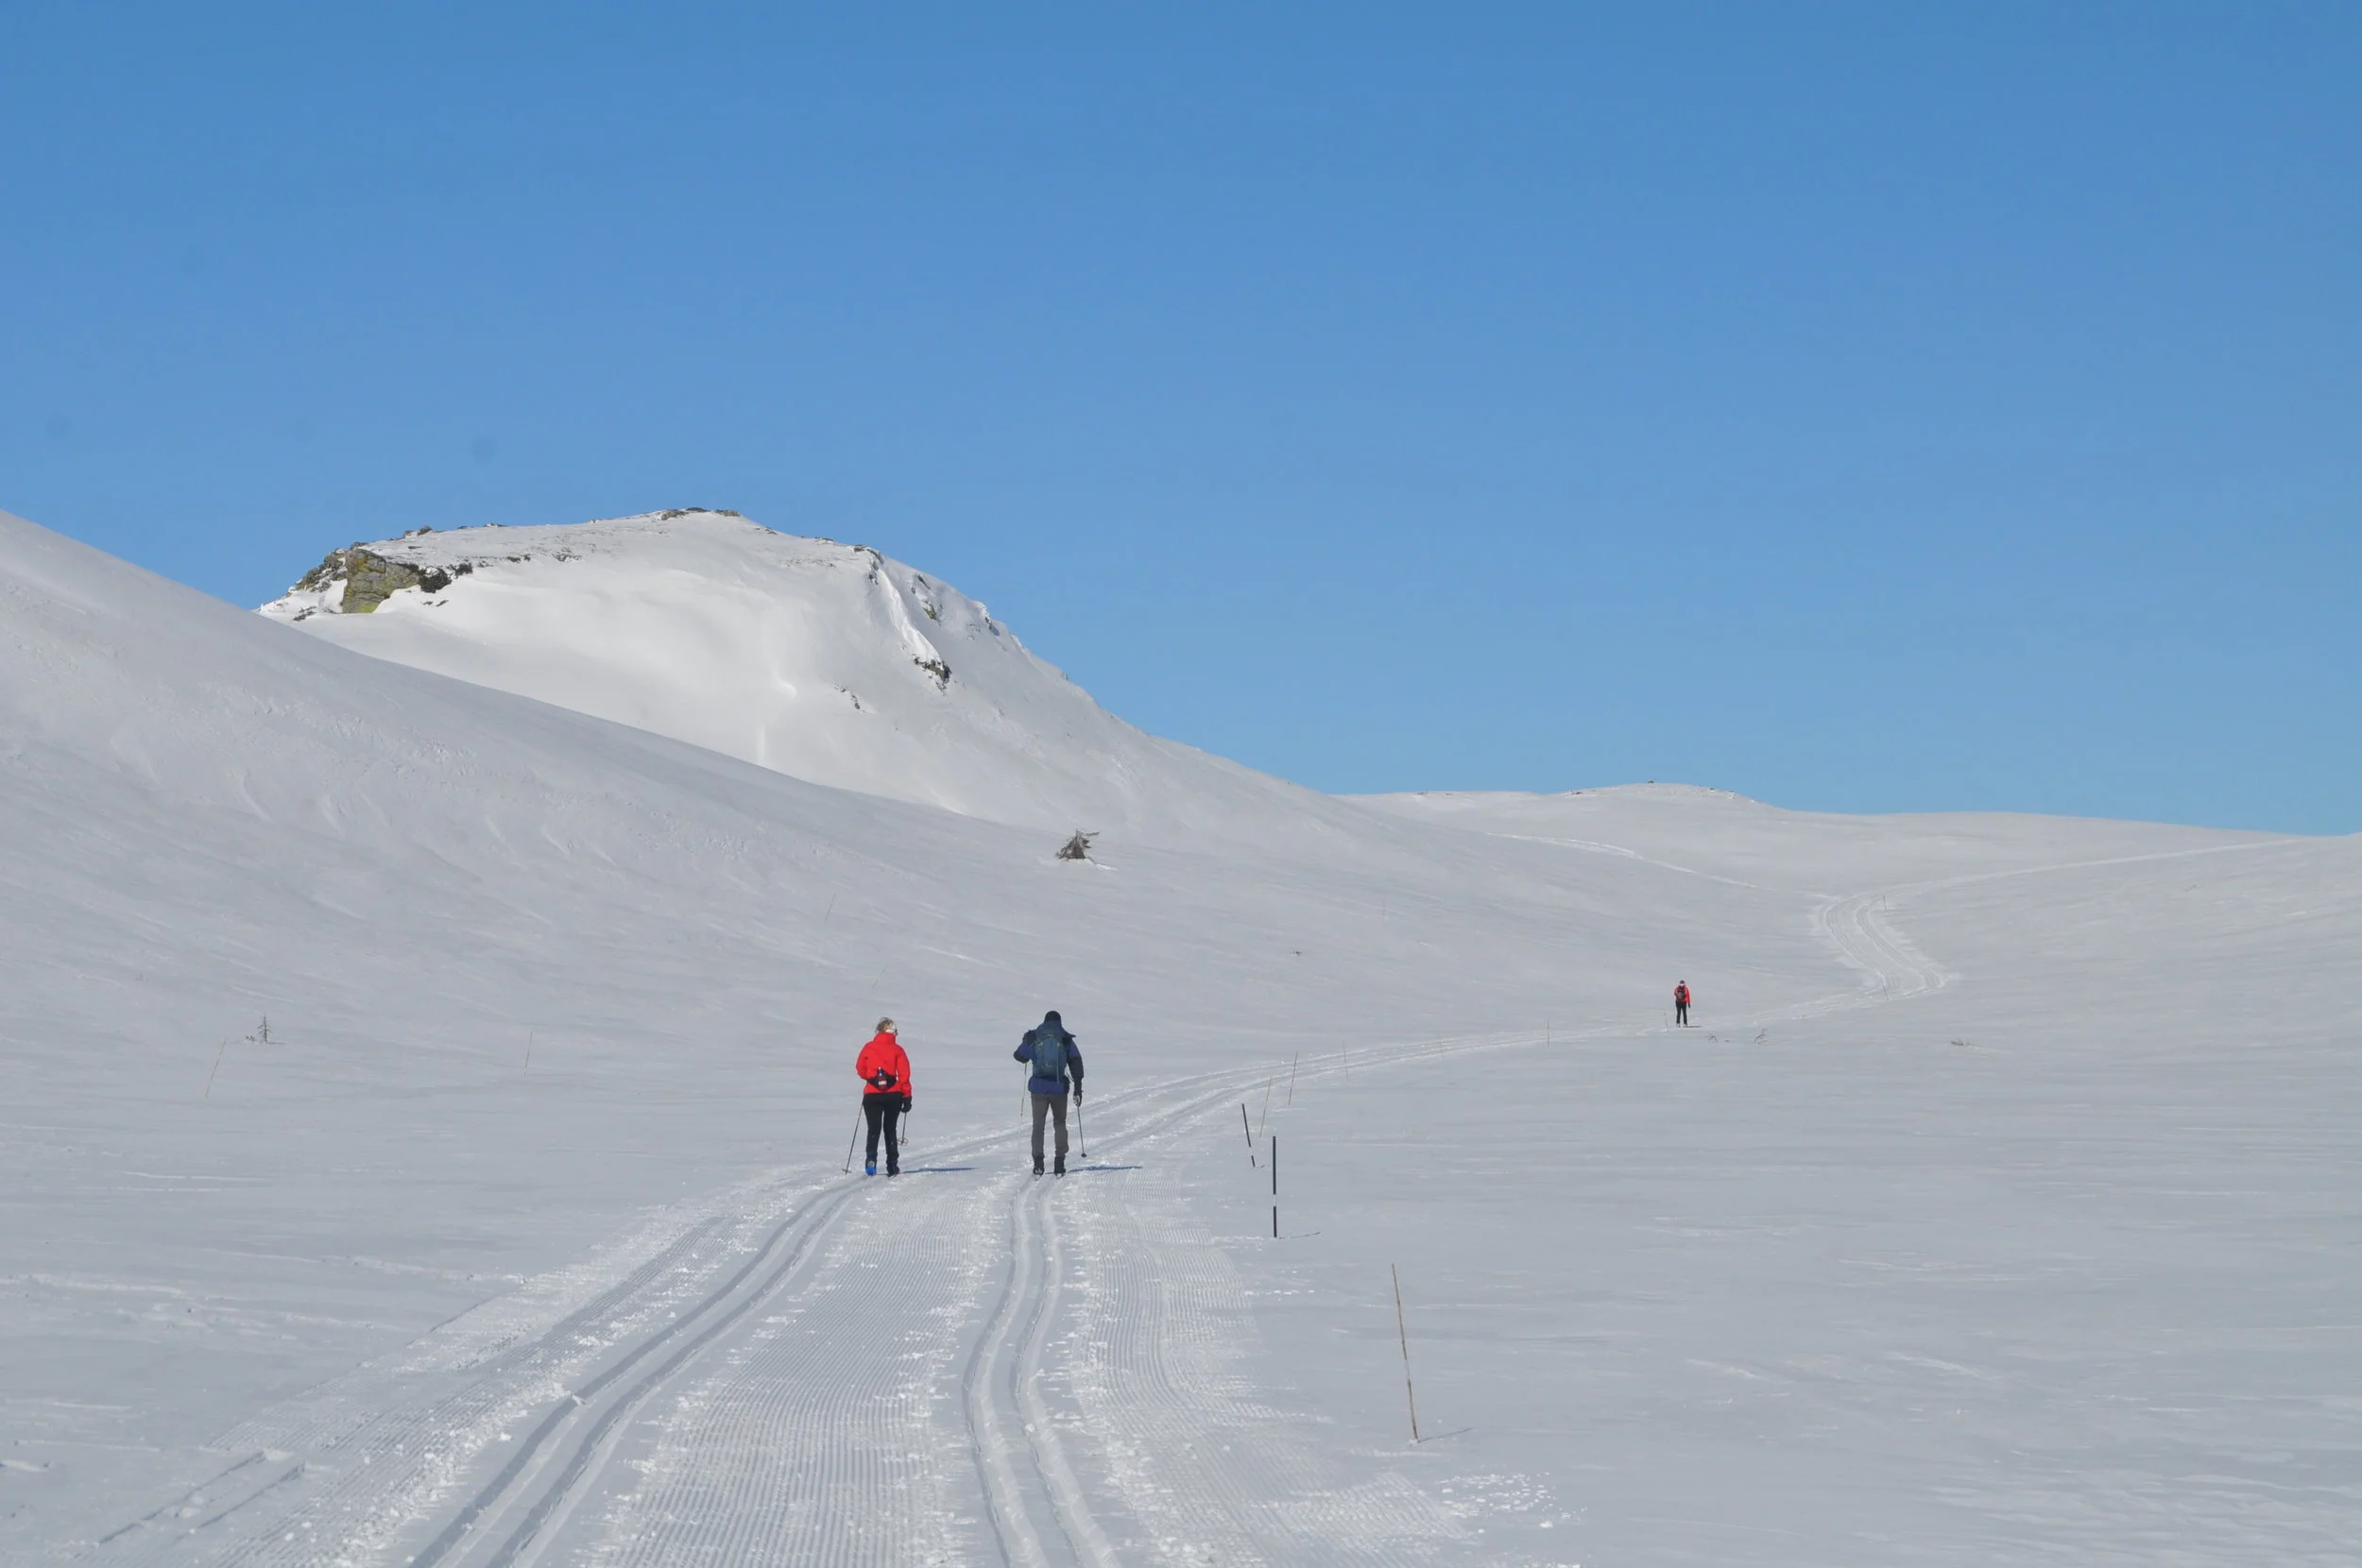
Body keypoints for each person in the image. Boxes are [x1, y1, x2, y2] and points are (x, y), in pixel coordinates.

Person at [1014, 1010, 1085, 1176]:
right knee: (1059, 1123)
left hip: (1038, 1089)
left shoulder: (1035, 1036)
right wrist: (1078, 1088)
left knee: (1038, 1126)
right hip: (1059, 1089)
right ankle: (1059, 1161)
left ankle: (1038, 1161)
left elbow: (1019, 1056)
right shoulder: (1065, 1039)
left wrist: (1026, 1040)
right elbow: (1076, 1063)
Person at [855, 1018, 912, 1176]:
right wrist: (907, 1095)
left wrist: (871, 1078)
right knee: (890, 1129)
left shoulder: (868, 1047)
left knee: (873, 1129)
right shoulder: (897, 1050)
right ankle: (892, 1164)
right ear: (892, 1032)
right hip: (893, 1094)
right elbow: (904, 1074)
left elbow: (860, 1068)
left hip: (872, 1094)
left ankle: (871, 1159)